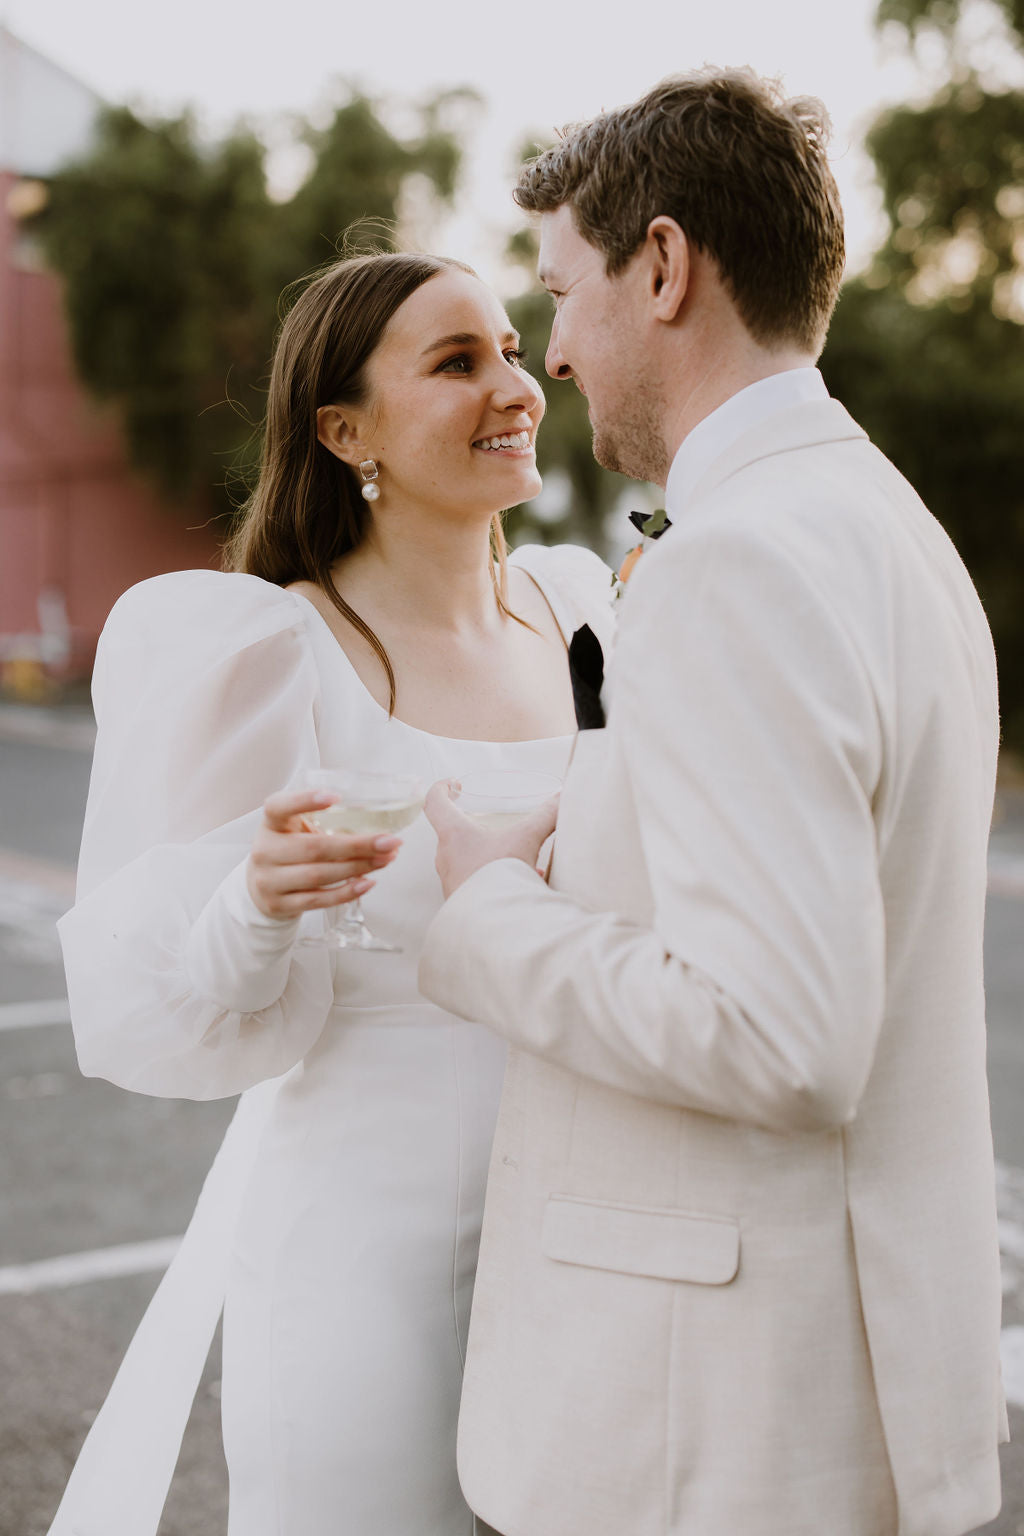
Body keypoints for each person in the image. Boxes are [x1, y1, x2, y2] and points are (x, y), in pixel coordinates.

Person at [420, 68, 1007, 1536]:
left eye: (561, 293)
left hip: (710, 1434)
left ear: (665, 267)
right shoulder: (888, 525)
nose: (551, 353)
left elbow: (783, 1036)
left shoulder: (742, 561)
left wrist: (491, 905)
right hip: (818, 1390)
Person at [50, 250, 613, 1536]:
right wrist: (256, 903)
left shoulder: (584, 612)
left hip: (591, 1231)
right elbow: (178, 1008)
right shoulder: (264, 650)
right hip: (366, 1252)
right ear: (342, 428)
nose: (513, 387)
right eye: (456, 362)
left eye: (513, 352)